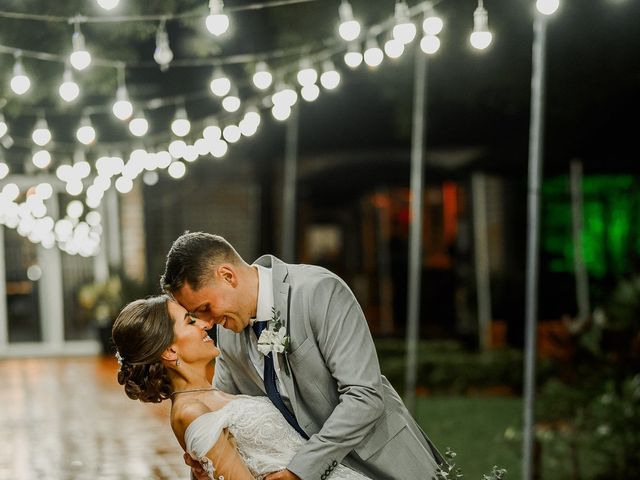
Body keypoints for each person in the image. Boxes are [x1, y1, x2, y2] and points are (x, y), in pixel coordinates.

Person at [160, 232, 445, 480]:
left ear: (227, 276)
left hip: (383, 463)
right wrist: (204, 463)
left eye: (206, 308)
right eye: (196, 316)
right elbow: (218, 412)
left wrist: (302, 469)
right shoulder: (229, 331)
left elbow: (365, 396)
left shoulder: (318, 291)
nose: (207, 323)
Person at [112, 295, 371, 480]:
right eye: (190, 322)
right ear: (169, 351)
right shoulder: (190, 412)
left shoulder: (210, 393)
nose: (204, 324)